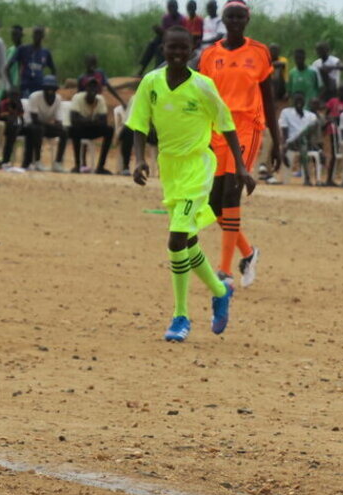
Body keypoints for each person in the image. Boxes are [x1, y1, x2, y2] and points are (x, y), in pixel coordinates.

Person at [128, 25, 241, 343]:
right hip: (170, 169)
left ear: (192, 49)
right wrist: (139, 160)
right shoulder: (150, 83)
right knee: (187, 241)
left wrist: (241, 167)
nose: (176, 53)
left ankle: (180, 317)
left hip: (198, 167)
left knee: (176, 239)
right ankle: (220, 291)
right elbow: (138, 124)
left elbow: (227, 125)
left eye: (183, 48)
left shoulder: (203, 86)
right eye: (170, 48)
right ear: (162, 48)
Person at [198, 0, 280, 288]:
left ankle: (224, 271)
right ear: (223, 19)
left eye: (239, 17)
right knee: (214, 202)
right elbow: (204, 100)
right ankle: (248, 253)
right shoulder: (209, 55)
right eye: (229, 16)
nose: (234, 21)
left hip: (247, 128)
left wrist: (277, 140)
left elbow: (268, 99)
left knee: (232, 194)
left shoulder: (259, 52)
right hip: (217, 130)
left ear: (247, 19)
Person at [68, 77, 114, 174]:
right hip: (81, 130)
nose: (92, 89)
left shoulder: (100, 100)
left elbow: (103, 121)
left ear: (98, 90)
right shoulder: (78, 98)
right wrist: (93, 120)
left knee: (109, 130)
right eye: (90, 86)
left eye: (95, 87)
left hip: (92, 129)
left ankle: (100, 166)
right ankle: (77, 165)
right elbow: (73, 119)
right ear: (86, 88)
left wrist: (84, 119)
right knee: (74, 129)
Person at [26, 74, 69, 171]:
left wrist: (57, 126)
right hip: (31, 126)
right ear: (43, 89)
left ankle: (58, 163)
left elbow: (59, 121)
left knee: (64, 131)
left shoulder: (58, 99)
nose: (50, 91)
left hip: (46, 126)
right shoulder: (35, 97)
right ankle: (37, 161)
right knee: (39, 129)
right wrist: (52, 125)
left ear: (55, 90)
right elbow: (34, 119)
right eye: (47, 89)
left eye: (52, 89)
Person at [278, 92, 320, 183]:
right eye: (297, 100)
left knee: (304, 138)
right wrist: (284, 145)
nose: (299, 102)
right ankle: (307, 178)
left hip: (306, 143)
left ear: (305, 102)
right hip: (291, 143)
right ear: (293, 101)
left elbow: (313, 133)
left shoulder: (310, 115)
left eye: (301, 100)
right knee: (302, 141)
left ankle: (307, 178)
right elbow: (284, 131)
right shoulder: (286, 112)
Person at [7, 26, 54, 98]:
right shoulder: (23, 49)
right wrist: (11, 85)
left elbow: (53, 69)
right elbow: (7, 68)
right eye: (35, 34)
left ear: (43, 36)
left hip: (40, 89)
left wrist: (52, 84)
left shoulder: (45, 52)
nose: (37, 36)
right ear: (32, 35)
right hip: (26, 88)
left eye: (39, 34)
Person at [323, 83, 343, 185]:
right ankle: (329, 179)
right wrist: (329, 119)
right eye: (340, 91)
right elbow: (326, 114)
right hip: (334, 130)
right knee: (334, 153)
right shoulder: (333, 101)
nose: (342, 93)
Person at [0, 87, 35, 171]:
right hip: (6, 126)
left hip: (17, 125)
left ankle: (27, 162)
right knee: (12, 133)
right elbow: (2, 115)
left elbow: (21, 115)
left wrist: (17, 112)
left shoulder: (19, 103)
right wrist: (12, 112)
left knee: (31, 130)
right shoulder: (4, 103)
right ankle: (5, 161)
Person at [5, 25, 22, 91]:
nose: (15, 37)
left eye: (16, 34)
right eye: (13, 35)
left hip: (19, 84)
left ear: (21, 35)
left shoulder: (23, 50)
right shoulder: (10, 50)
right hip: (9, 84)